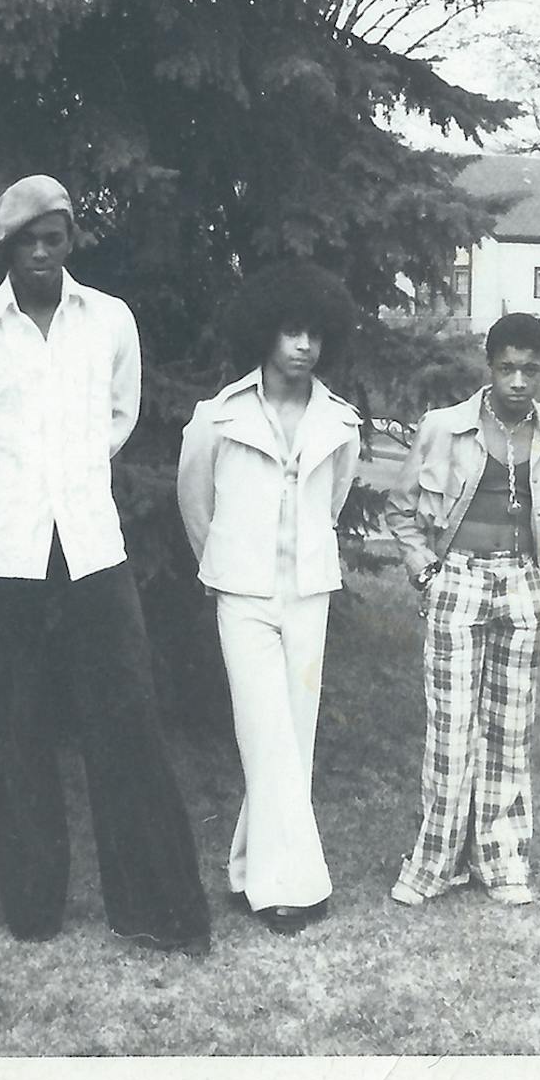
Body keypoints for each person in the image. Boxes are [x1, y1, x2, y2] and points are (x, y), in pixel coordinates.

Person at [0, 174, 212, 955]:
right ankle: (33, 902)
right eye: (25, 241)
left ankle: (152, 902)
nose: (40, 253)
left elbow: (120, 415)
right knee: (15, 718)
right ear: (5, 248)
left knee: (125, 714)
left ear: (70, 240)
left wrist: (76, 474)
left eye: (53, 238)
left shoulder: (110, 321)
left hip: (93, 543)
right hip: (10, 546)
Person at [175, 263, 362, 936]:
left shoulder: (340, 423)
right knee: (265, 732)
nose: (303, 345)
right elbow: (196, 502)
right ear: (264, 333)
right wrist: (223, 566)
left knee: (294, 734)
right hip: (243, 594)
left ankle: (246, 868)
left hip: (308, 592)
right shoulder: (218, 417)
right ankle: (288, 890)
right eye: (290, 331)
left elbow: (331, 502)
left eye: (315, 333)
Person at [386, 310, 540, 908]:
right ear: (489, 367)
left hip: (524, 584)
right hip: (457, 581)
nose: (518, 381)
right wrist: (426, 571)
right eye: (507, 368)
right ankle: (435, 864)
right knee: (451, 729)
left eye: (530, 370)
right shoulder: (443, 428)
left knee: (509, 729)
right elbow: (401, 510)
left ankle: (501, 861)